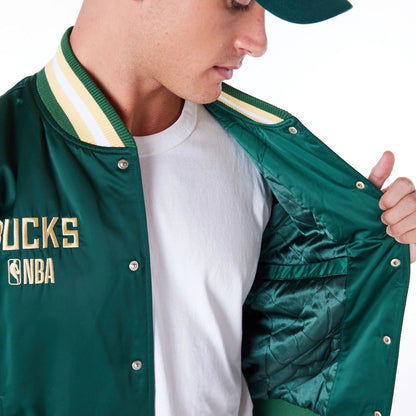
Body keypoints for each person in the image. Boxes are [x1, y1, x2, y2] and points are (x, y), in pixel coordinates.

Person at [0, 0, 415, 415]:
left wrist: (368, 243)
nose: (258, 42)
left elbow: (291, 351)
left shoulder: (262, 164)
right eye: (238, 2)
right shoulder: (11, 157)